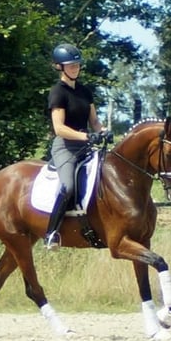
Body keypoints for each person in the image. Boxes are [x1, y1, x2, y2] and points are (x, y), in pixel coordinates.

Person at [44, 43, 107, 250]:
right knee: (68, 186)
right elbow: (59, 128)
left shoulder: (84, 91)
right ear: (59, 67)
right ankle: (51, 233)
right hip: (66, 148)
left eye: (77, 65)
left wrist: (103, 131)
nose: (75, 68)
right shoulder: (57, 92)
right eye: (70, 65)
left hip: (86, 146)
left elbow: (94, 122)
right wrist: (85, 136)